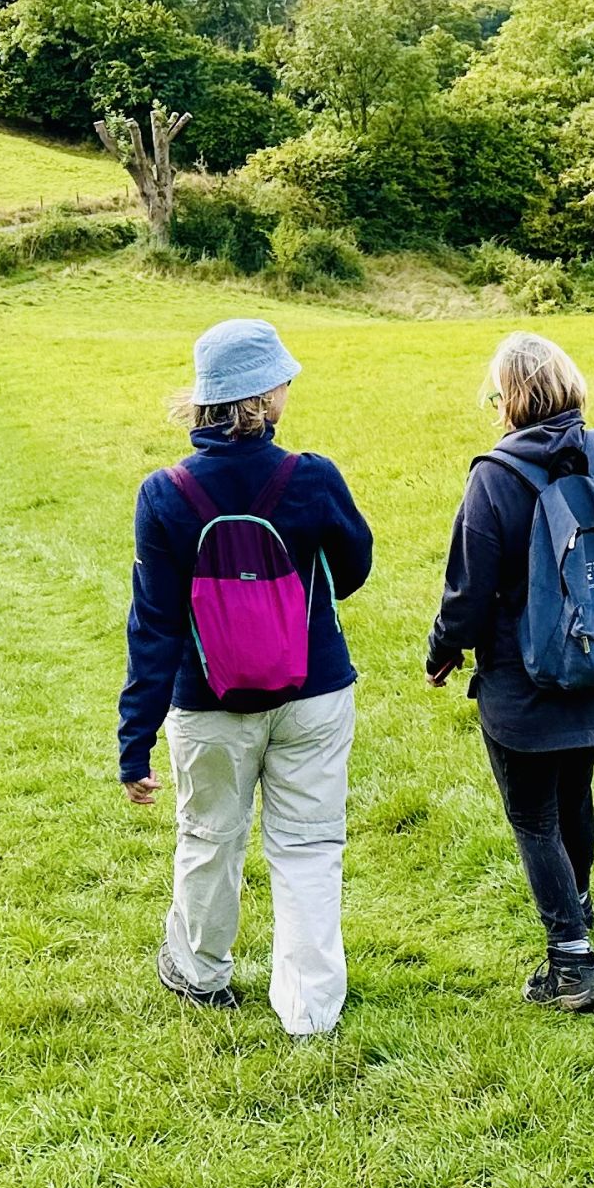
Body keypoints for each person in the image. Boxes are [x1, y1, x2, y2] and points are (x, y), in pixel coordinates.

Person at [119, 318, 373, 1036]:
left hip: (207, 702)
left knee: (209, 835)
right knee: (310, 846)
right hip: (314, 690)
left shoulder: (163, 495)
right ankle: (311, 1009)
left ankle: (201, 974)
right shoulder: (313, 478)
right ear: (264, 397)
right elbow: (353, 568)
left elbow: (154, 626)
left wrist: (134, 741)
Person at [426, 331, 594, 1012]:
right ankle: (581, 906)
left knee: (534, 814)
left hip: (524, 685)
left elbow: (467, 593)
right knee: (576, 793)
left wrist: (442, 651)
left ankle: (571, 965)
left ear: (506, 400)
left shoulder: (495, 476)